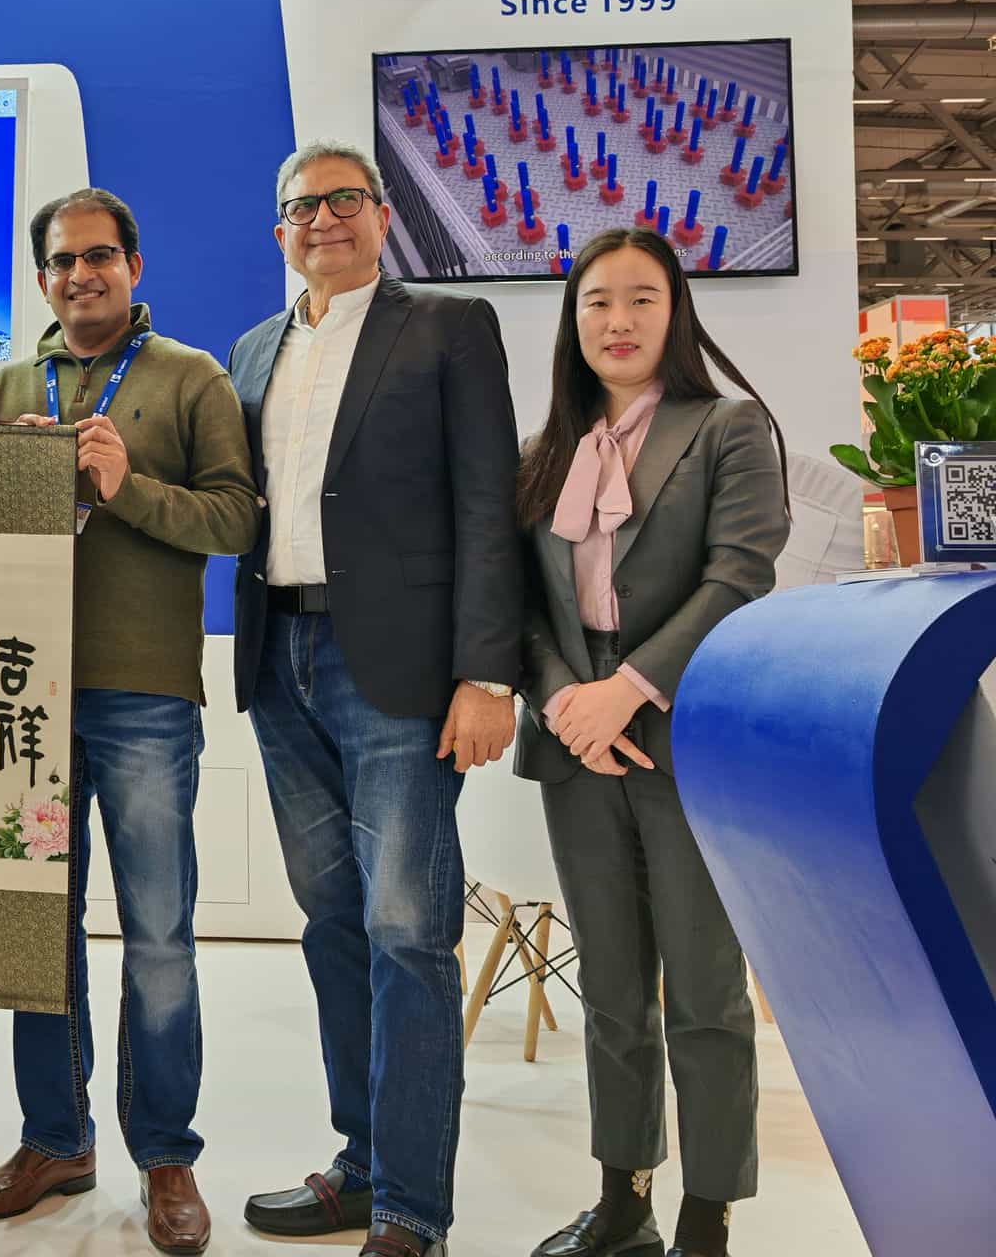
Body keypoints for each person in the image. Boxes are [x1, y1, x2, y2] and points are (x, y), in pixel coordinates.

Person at [0, 188, 260, 1257]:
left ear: (132, 265)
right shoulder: (7, 384)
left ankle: (166, 1156)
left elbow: (235, 520)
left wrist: (122, 485)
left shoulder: (191, 377)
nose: (80, 275)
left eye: (98, 257)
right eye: (61, 261)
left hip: (144, 695)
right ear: (41, 278)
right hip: (18, 696)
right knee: (34, 929)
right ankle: (53, 1141)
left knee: (160, 933)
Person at [229, 141, 521, 1257]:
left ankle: (411, 1210)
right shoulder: (253, 350)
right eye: (302, 207)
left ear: (383, 214)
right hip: (279, 658)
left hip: (398, 670)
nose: (324, 219)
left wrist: (485, 674)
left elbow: (487, 503)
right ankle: (359, 1166)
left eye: (344, 199)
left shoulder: (446, 328)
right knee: (333, 925)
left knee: (407, 932)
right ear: (280, 232)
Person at [513, 228, 789, 1257]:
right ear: (572, 320)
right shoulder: (542, 453)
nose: (618, 320)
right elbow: (519, 605)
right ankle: (622, 1199)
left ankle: (706, 1217)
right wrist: (564, 702)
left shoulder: (726, 426)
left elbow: (740, 575)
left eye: (641, 299)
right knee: (611, 987)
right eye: (597, 301)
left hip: (684, 727)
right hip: (575, 742)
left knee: (705, 992)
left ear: (676, 313)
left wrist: (626, 691)